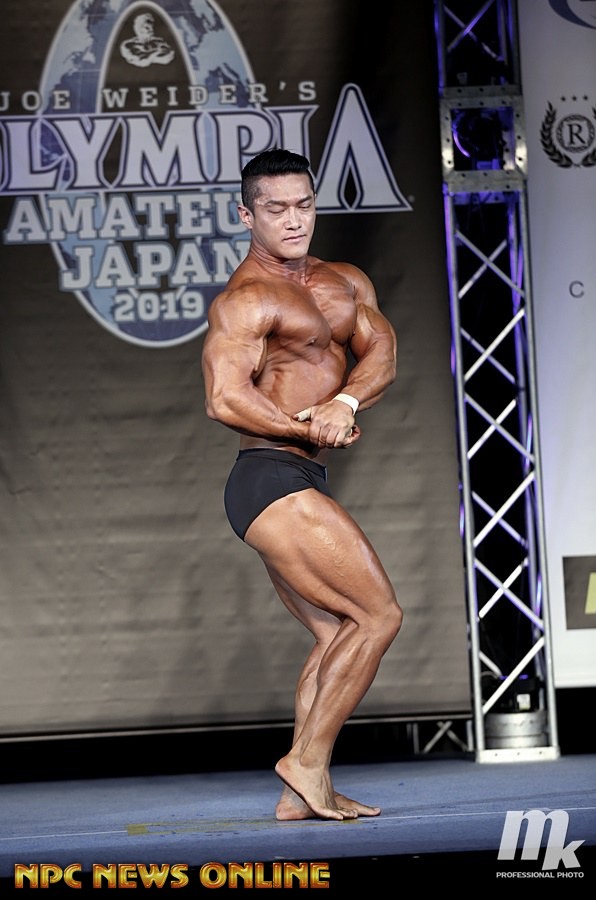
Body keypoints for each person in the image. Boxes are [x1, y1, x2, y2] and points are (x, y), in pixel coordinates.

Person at [201, 148, 403, 821]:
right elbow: (223, 398)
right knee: (378, 616)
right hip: (268, 477)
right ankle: (306, 761)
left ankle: (298, 796)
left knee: (337, 631)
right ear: (246, 215)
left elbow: (381, 353)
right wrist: (304, 425)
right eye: (276, 209)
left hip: (297, 477)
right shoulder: (246, 301)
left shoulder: (345, 282)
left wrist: (344, 402)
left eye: (304, 205)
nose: (293, 220)